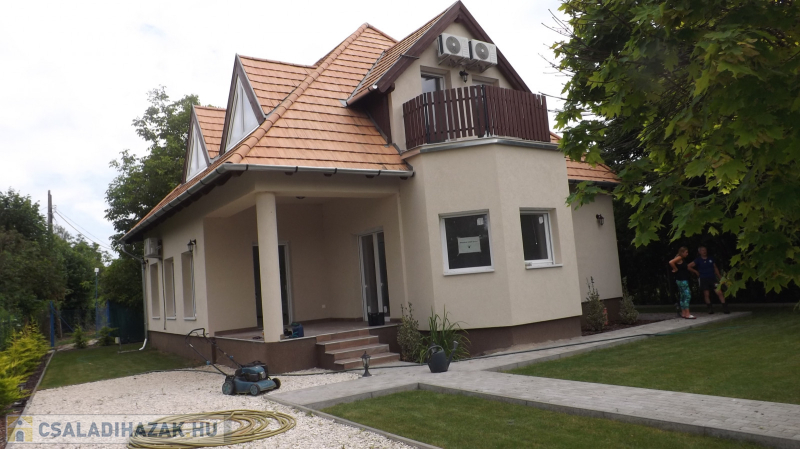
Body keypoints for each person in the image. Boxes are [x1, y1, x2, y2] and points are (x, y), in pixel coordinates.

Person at [688, 246, 729, 314]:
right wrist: (696, 272)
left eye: (705, 250)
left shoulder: (711, 259)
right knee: (706, 294)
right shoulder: (698, 260)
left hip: (712, 278)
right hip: (703, 278)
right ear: (699, 252)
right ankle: (710, 308)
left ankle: (725, 307)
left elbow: (715, 268)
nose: (704, 251)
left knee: (719, 292)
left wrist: (719, 277)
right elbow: (689, 266)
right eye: (703, 250)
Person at [669, 247, 695, 319]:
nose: (687, 254)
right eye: (686, 252)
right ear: (682, 252)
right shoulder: (679, 257)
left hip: (679, 280)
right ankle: (687, 313)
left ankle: (684, 313)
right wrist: (675, 269)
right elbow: (671, 262)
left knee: (682, 296)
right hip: (683, 280)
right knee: (687, 296)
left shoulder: (680, 258)